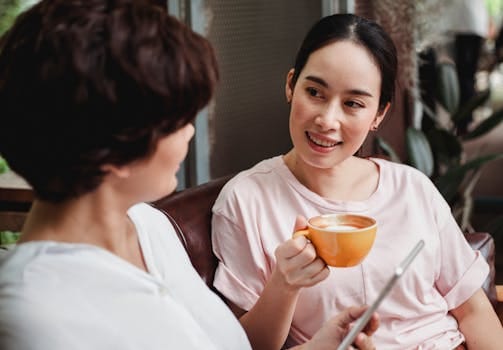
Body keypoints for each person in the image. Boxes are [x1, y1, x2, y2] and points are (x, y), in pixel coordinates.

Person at [0, 1, 379, 349]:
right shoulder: (37, 317)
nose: (190, 132)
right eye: (177, 120)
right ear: (112, 149)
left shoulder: (147, 225)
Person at [211, 13, 503, 350]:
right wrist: (284, 284)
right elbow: (244, 345)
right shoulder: (247, 200)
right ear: (291, 85)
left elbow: (474, 312)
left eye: (353, 103)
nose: (327, 120)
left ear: (378, 114)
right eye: (315, 92)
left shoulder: (412, 188)